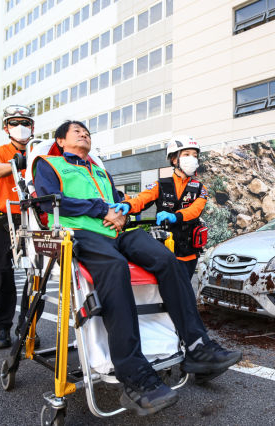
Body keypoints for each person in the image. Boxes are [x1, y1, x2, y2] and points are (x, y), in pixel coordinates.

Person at [33, 121, 242, 417]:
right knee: (116, 268)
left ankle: (198, 346)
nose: (84, 134)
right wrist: (101, 209)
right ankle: (132, 375)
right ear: (61, 140)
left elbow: (120, 201)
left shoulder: (99, 170)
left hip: (117, 233)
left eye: (87, 132)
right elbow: (50, 202)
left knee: (168, 262)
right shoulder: (49, 164)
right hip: (81, 233)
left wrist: (119, 208)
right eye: (77, 131)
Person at [0, 105, 35, 349]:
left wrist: (31, 160)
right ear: (6, 128)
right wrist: (17, 163)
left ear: (32, 127)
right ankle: (2, 328)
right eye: (14, 123)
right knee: (2, 274)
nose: (20, 127)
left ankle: (26, 326)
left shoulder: (39, 151)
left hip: (33, 218)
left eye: (24, 122)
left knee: (35, 275)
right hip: (4, 219)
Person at [122, 136, 208, 278]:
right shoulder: (160, 184)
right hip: (165, 250)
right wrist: (127, 205)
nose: (192, 159)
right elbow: (142, 199)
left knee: (185, 288)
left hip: (190, 253)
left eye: (195, 155)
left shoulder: (200, 188)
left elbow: (196, 210)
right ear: (174, 159)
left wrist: (176, 216)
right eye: (186, 154)